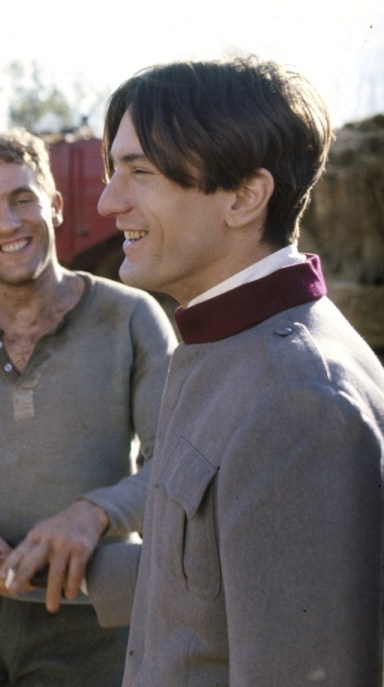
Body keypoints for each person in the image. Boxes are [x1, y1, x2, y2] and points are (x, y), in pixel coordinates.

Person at [90, 56, 384, 685]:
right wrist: (67, 563)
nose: (108, 201)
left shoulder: (299, 400)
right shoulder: (230, 343)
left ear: (244, 197)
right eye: (114, 171)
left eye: (141, 172)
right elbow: (217, 577)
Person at [0, 128, 176, 686]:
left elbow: (173, 465)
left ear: (56, 205)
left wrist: (94, 514)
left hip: (95, 607)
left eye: (23, 200)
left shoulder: (130, 317)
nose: (9, 223)